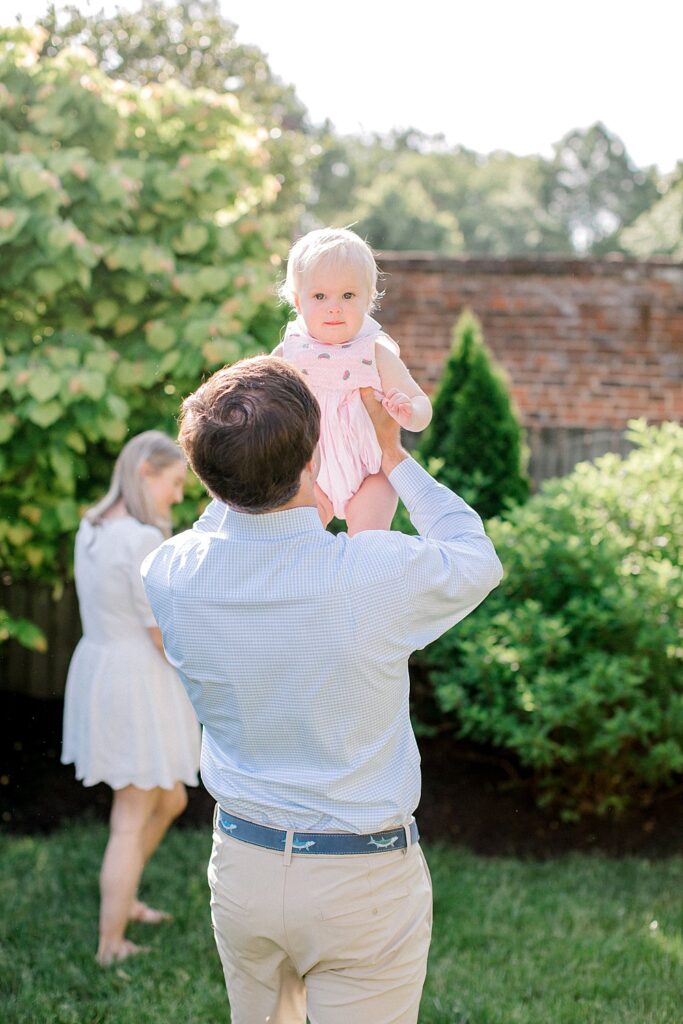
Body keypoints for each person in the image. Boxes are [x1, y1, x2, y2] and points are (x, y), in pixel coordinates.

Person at [142, 357, 503, 1024]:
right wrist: (391, 454)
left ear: (204, 474)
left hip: (244, 866)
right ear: (313, 455)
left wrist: (252, 463)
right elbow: (475, 555)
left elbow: (223, 516)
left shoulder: (167, 573)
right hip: (358, 879)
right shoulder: (366, 575)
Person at [61, 430, 201, 966]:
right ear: (145, 470)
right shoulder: (140, 538)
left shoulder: (91, 527)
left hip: (100, 667)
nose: (177, 495)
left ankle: (124, 892)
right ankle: (110, 942)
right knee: (132, 812)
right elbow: (158, 632)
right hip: (136, 679)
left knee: (170, 799)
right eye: (172, 482)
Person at [274, 227, 432, 534]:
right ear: (297, 301)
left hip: (369, 473)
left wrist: (409, 412)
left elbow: (421, 403)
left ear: (369, 298)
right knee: (293, 538)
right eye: (319, 296)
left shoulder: (374, 351)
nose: (334, 306)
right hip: (309, 473)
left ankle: (363, 569)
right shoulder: (289, 352)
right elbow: (260, 395)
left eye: (348, 295)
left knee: (368, 543)